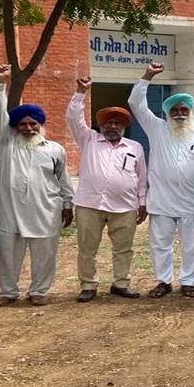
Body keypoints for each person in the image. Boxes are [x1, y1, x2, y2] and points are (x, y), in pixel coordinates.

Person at [0, 65, 74, 307]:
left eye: (32, 124)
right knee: (7, 255)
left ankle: (39, 291)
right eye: (23, 124)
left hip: (45, 211)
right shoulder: (6, 143)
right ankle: (8, 292)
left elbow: (63, 179)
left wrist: (68, 204)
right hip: (10, 210)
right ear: (15, 127)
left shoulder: (55, 149)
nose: (28, 128)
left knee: (45, 255)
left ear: (40, 125)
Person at [128, 63, 194, 298]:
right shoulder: (156, 127)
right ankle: (163, 281)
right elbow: (136, 103)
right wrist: (148, 76)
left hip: (191, 200)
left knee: (191, 245)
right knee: (160, 243)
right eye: (174, 110)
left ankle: (189, 281)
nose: (179, 114)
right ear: (167, 113)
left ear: (190, 111)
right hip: (162, 199)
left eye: (184, 110)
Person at [67, 76, 147, 302]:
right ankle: (88, 285)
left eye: (117, 123)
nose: (112, 126)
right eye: (108, 123)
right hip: (89, 205)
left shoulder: (135, 147)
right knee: (87, 248)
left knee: (124, 248)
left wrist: (142, 202)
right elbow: (73, 118)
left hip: (125, 206)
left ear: (124, 126)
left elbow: (141, 177)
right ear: (100, 125)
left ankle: (121, 283)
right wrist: (80, 92)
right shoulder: (88, 139)